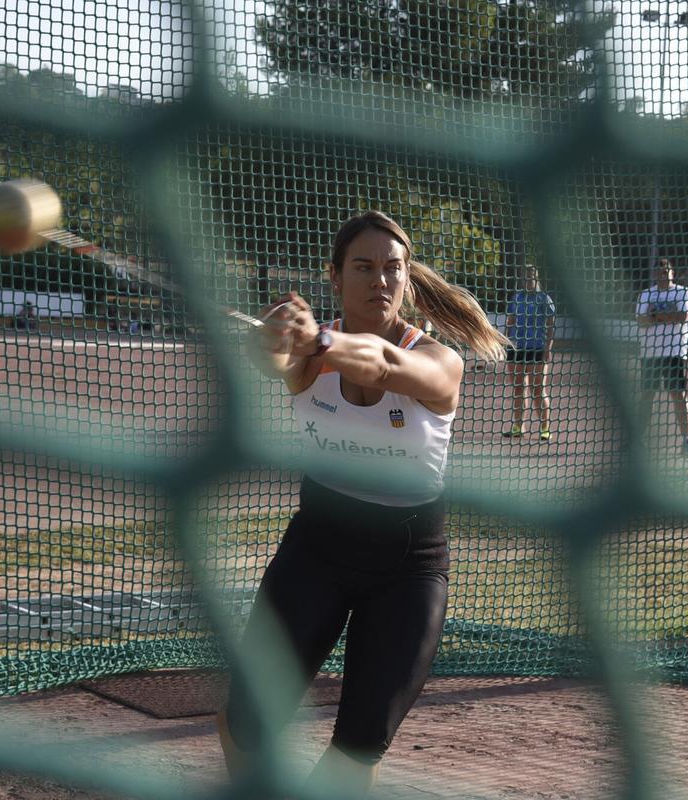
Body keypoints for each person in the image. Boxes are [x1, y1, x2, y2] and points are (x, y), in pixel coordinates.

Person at [218, 210, 508, 796]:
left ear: (408, 280)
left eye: (393, 269)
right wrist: (273, 340)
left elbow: (382, 363)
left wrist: (320, 339)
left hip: (408, 569)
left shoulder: (438, 363)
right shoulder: (308, 356)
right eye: (364, 267)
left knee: (357, 747)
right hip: (317, 549)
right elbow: (274, 362)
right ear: (334, 279)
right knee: (246, 723)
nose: (381, 280)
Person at [636, 258, 688, 456]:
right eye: (659, 270)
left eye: (666, 270)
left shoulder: (683, 292)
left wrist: (655, 315)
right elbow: (641, 321)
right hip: (650, 353)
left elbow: (683, 317)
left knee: (677, 394)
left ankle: (686, 440)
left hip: (674, 351)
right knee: (647, 396)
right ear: (655, 273)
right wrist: (666, 315)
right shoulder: (646, 294)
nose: (663, 272)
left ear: (673, 272)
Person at [502, 265, 556, 440]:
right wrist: (505, 343)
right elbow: (510, 322)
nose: (528, 279)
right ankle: (519, 426)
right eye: (525, 276)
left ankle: (545, 428)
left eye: (531, 276)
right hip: (517, 348)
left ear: (536, 277)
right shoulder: (516, 298)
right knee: (518, 388)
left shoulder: (544, 299)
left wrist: (548, 348)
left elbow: (550, 326)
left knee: (537, 389)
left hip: (537, 348)